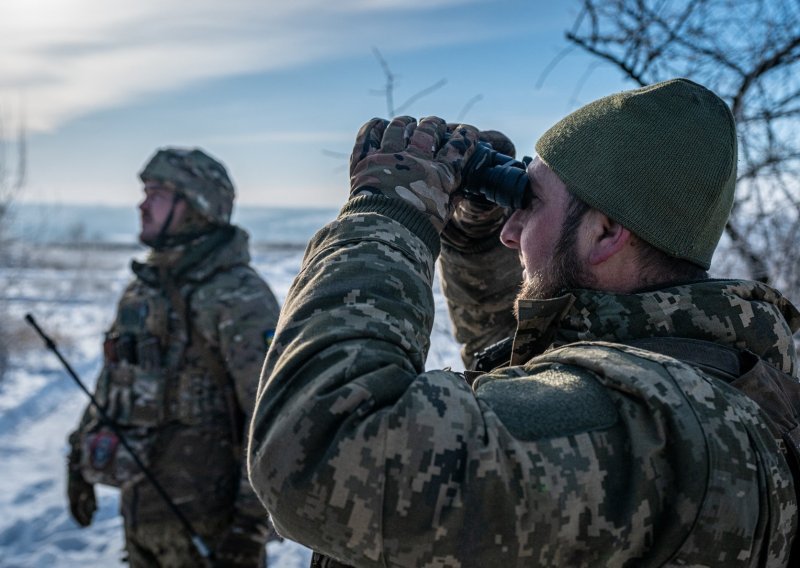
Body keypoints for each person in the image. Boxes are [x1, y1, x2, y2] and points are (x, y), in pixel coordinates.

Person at [247, 79, 800, 566]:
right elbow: (537, 385)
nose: (511, 235)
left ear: (606, 233)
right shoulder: (704, 374)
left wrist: (387, 213)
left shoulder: (649, 424)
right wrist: (473, 238)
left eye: (529, 205)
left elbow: (321, 448)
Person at [67, 147, 280, 567]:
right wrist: (78, 457)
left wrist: (251, 525)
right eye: (145, 192)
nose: (141, 204)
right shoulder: (143, 290)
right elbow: (112, 383)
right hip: (142, 515)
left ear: (197, 204)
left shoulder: (237, 296)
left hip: (212, 532)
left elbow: (273, 415)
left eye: (157, 193)